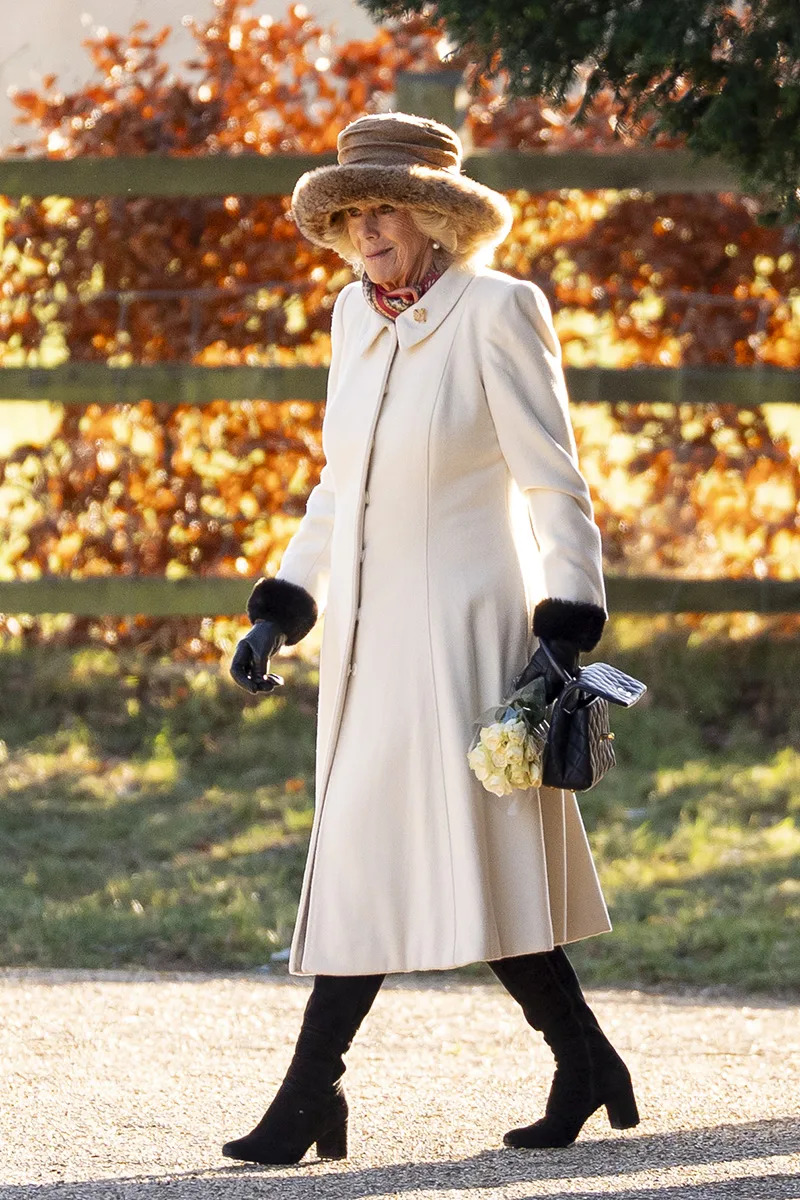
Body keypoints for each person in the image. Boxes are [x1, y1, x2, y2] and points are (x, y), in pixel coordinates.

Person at [223, 112, 639, 1165]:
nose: (367, 229)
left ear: (439, 218)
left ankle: (314, 1093)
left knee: (472, 851)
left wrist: (565, 631)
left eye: (387, 207)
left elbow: (553, 482)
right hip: (364, 638)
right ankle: (576, 1060)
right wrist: (282, 604)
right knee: (372, 847)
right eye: (353, 211)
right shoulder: (347, 318)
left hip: (463, 628)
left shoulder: (499, 310)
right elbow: (335, 484)